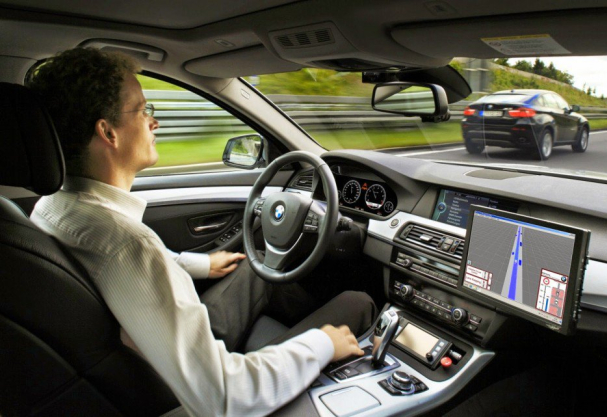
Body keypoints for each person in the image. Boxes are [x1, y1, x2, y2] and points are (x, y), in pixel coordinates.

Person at [27, 48, 376, 417]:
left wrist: (200, 264)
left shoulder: (55, 207)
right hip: (175, 387)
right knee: (356, 302)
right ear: (108, 132)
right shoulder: (129, 245)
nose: (153, 122)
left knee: (256, 269)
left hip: (150, 347)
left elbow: (123, 272)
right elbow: (224, 397)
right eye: (143, 110)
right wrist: (321, 343)